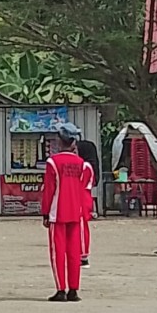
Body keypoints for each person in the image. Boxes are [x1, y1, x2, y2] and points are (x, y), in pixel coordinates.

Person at [41, 123, 85, 302]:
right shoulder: (81, 163)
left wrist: (45, 213)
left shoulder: (53, 162)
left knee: (57, 251)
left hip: (57, 211)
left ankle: (61, 289)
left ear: (60, 140)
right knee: (74, 252)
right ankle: (74, 289)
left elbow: (49, 190)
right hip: (76, 211)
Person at [76, 139, 99, 268]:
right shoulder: (87, 166)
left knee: (81, 227)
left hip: (82, 197)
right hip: (83, 196)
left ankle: (83, 256)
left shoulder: (85, 167)